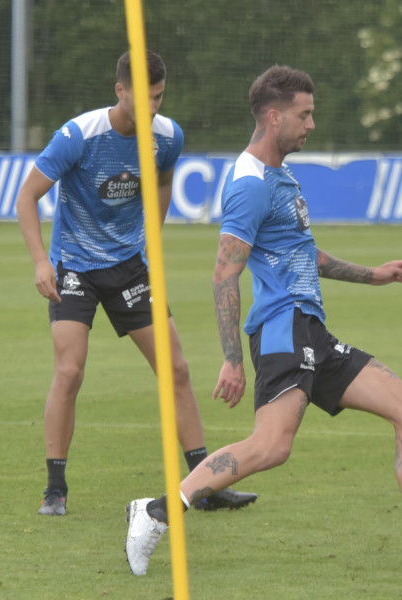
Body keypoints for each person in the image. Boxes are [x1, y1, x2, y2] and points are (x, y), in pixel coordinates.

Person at [124, 65, 402, 575]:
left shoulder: (281, 175)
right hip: (282, 329)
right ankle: (157, 511)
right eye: (304, 114)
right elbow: (224, 275)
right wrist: (232, 360)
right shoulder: (250, 183)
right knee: (271, 447)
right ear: (274, 117)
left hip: (310, 330)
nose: (311, 124)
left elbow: (303, 253)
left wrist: (373, 275)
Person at [15, 50, 257, 516]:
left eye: (159, 98)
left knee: (177, 369)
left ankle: (203, 487)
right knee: (70, 371)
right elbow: (26, 198)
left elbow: (162, 184)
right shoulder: (78, 136)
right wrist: (40, 261)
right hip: (75, 267)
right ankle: (54, 490)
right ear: (119, 90)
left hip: (129, 267)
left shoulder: (168, 137)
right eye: (142, 99)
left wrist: (151, 238)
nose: (151, 109)